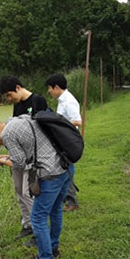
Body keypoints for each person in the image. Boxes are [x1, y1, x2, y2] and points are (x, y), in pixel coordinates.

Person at [0, 117, 72, 259]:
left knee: (38, 218)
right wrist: (9, 156)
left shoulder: (7, 134)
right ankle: (53, 249)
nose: (3, 145)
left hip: (49, 174)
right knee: (55, 210)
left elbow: (19, 164)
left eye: (0, 144)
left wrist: (5, 161)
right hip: (65, 167)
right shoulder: (23, 120)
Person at [0, 76, 48, 240]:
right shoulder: (17, 105)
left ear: (18, 88)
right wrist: (10, 154)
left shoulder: (38, 101)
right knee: (19, 190)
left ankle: (38, 228)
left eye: (9, 95)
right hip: (19, 155)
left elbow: (42, 130)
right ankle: (26, 224)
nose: (9, 99)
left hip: (34, 157)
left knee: (29, 193)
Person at [45, 73, 81, 212]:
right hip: (62, 139)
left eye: (50, 88)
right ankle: (68, 199)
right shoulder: (62, 100)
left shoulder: (69, 101)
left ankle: (71, 202)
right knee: (64, 169)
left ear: (56, 87)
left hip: (68, 141)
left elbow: (78, 121)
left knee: (66, 169)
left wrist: (57, 121)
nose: (49, 91)